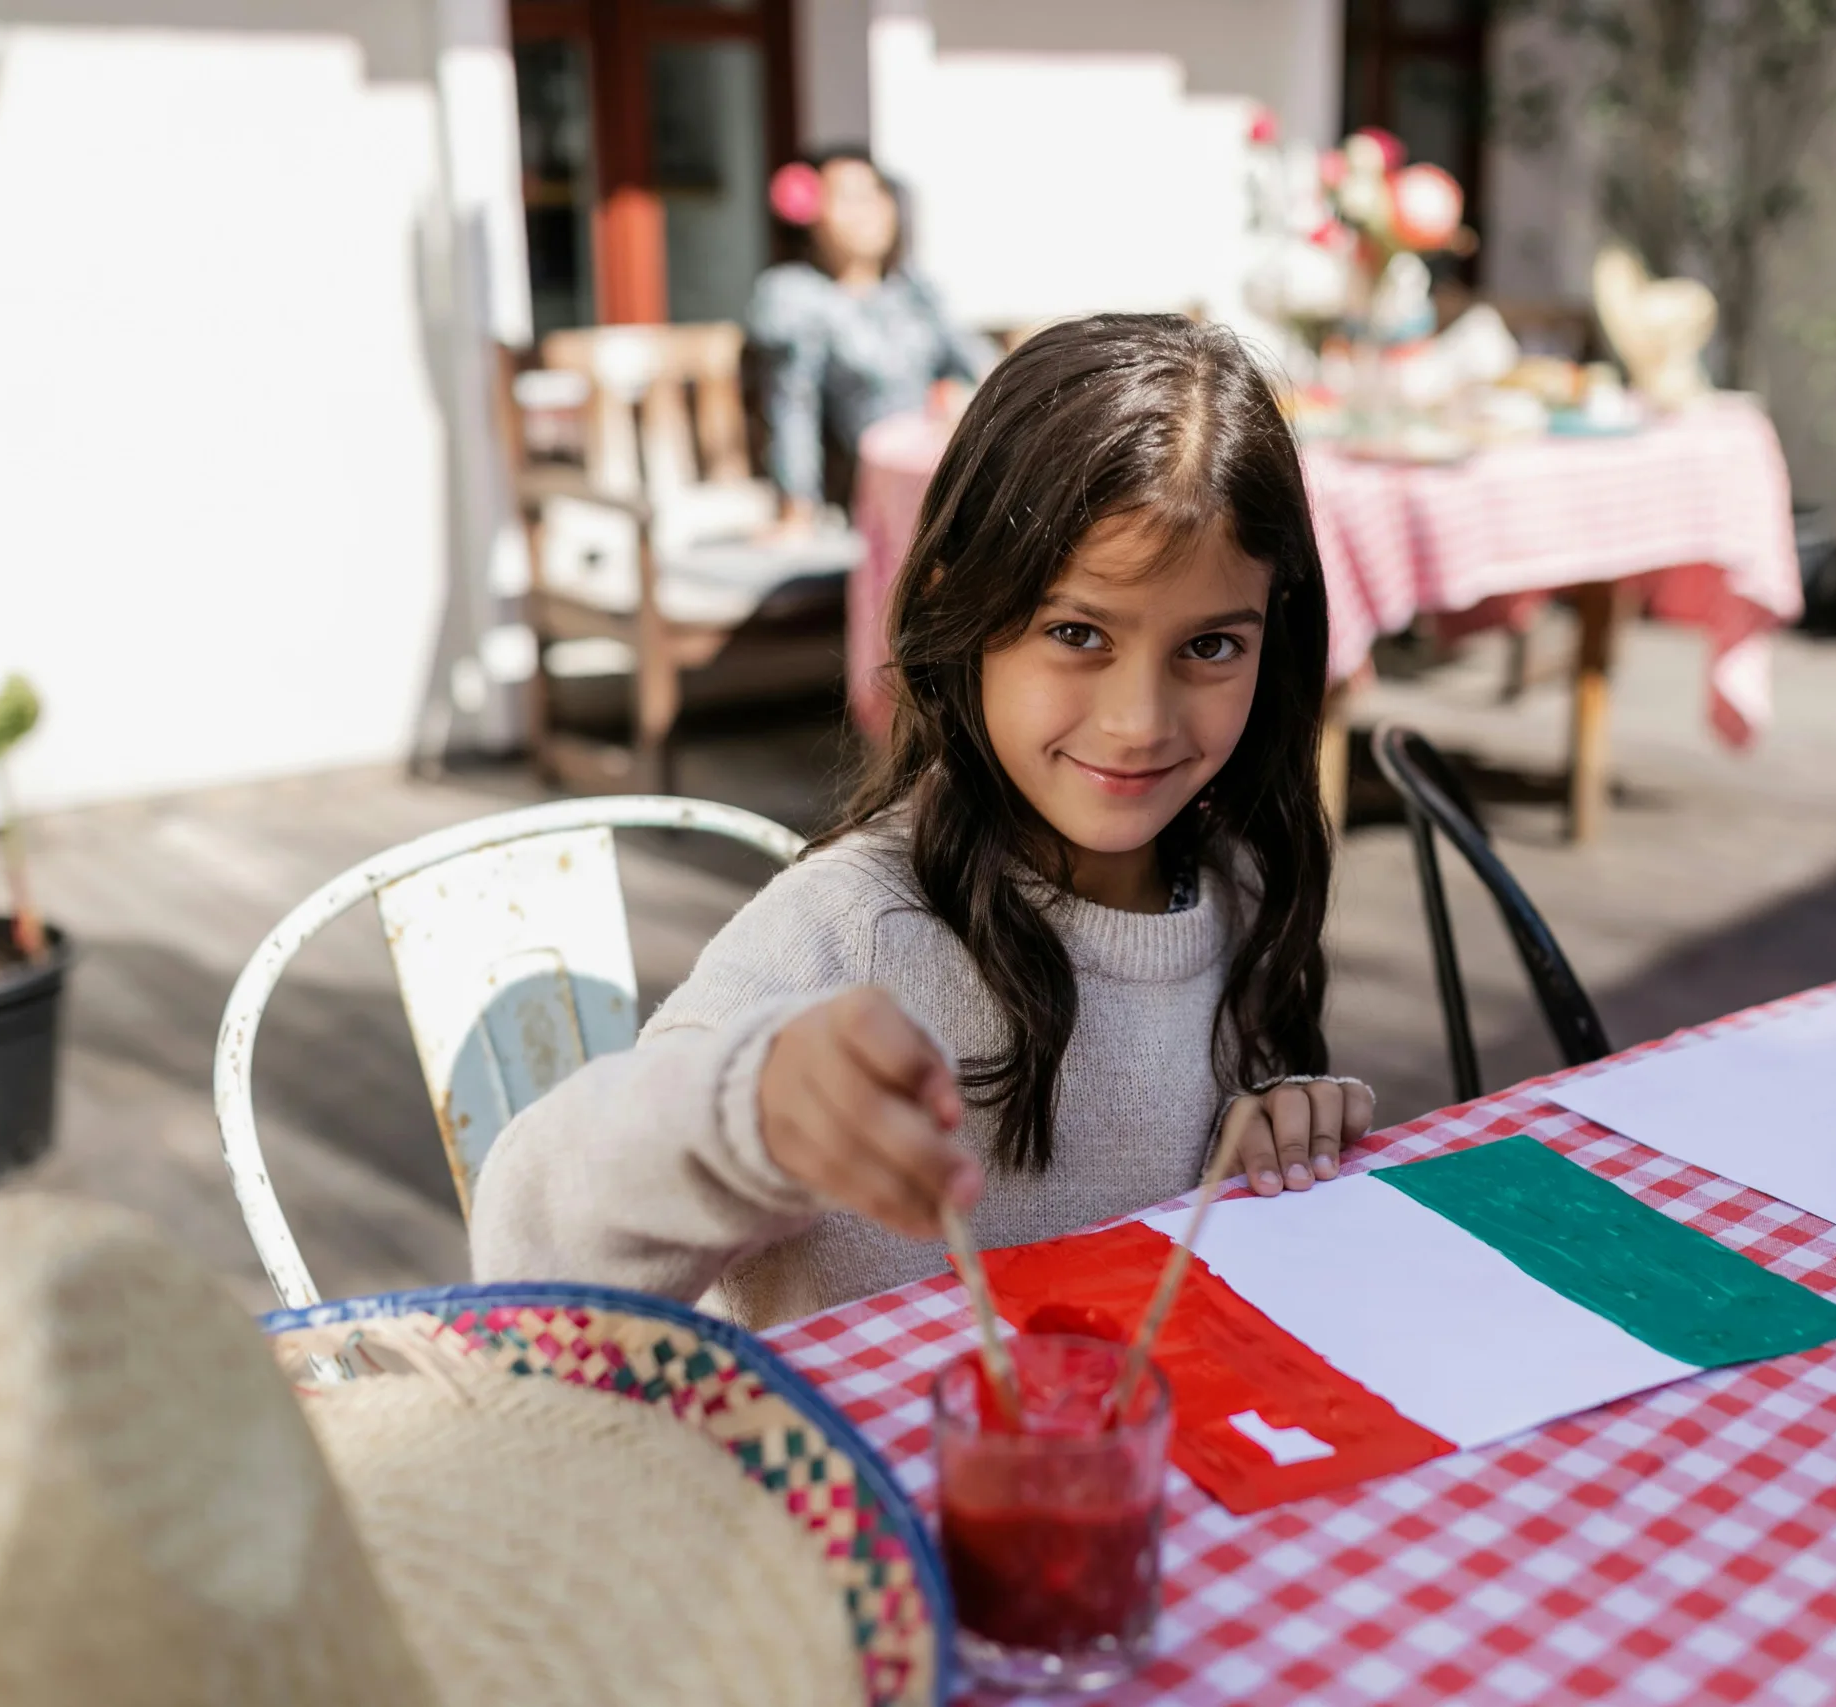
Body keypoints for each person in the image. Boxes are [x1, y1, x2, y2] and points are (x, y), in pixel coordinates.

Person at [471, 314, 1374, 1327]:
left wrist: (1276, 1120)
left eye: (1209, 647)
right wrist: (744, 1114)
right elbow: (526, 1258)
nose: (1138, 723)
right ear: (962, 612)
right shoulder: (850, 934)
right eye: (1077, 633)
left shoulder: (1236, 887)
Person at [746, 147, 997, 527]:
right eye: (848, 198)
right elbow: (792, 404)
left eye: (875, 194)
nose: (868, 211)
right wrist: (797, 508)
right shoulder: (796, 298)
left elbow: (981, 366)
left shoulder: (914, 290)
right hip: (865, 495)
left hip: (937, 473)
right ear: (809, 212)